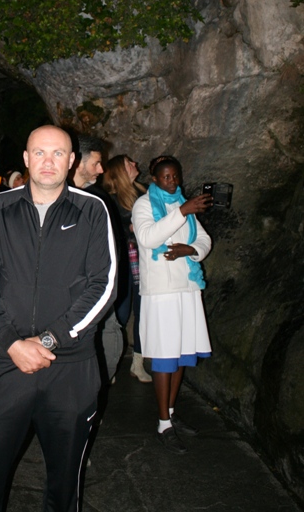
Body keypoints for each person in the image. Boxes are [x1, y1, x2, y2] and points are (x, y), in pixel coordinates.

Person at [0, 125, 117, 511]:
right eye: (39, 152)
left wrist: (49, 340)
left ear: (71, 161)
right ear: (26, 158)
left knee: (65, 482)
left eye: (57, 153)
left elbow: (104, 285)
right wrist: (12, 343)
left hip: (70, 367)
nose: (48, 161)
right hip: (7, 362)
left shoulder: (92, 210)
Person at [132, 155, 213, 455]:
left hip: (187, 289)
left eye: (176, 176)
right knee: (165, 357)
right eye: (166, 177)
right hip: (162, 292)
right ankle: (163, 423)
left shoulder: (183, 204)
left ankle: (171, 411)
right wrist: (182, 211)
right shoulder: (144, 205)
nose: (172, 181)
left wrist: (190, 249)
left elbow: (204, 240)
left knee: (180, 354)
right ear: (154, 179)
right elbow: (147, 237)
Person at [70, 135, 124, 384]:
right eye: (96, 163)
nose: (101, 170)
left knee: (108, 330)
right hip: (65, 290)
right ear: (77, 162)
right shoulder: (58, 195)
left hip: (95, 285)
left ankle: (98, 387)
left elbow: (111, 249)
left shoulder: (98, 200)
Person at [103, 154, 152, 383]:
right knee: (120, 313)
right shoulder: (109, 199)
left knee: (144, 312)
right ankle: (109, 362)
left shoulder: (146, 192)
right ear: (119, 171)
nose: (135, 164)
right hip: (123, 262)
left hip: (145, 260)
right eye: (128, 163)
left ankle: (138, 363)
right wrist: (129, 227)